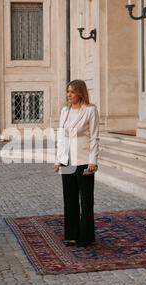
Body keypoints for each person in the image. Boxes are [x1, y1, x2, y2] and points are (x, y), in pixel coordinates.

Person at [54, 80, 99, 248]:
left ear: (80, 93)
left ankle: (86, 236)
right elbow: (61, 137)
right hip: (67, 161)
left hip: (84, 161)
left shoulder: (90, 110)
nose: (69, 95)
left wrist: (93, 160)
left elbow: (94, 136)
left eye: (72, 92)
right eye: (68, 92)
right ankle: (71, 235)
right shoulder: (64, 111)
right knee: (69, 199)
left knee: (86, 200)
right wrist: (58, 160)